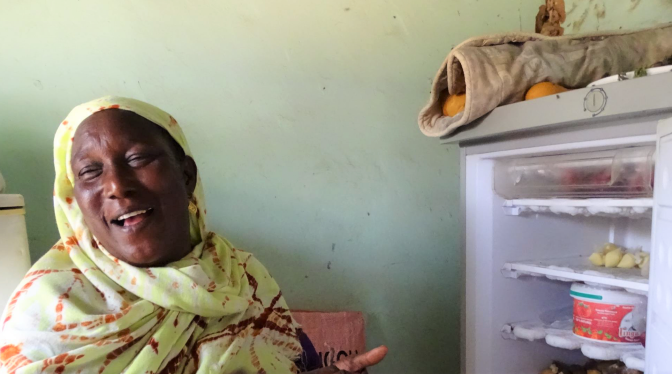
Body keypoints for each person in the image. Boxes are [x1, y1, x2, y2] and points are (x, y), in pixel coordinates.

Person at [0, 96, 387, 374]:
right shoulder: (47, 310)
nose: (116, 186)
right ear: (73, 201)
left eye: (137, 159)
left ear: (186, 175)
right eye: (90, 172)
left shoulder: (241, 279)